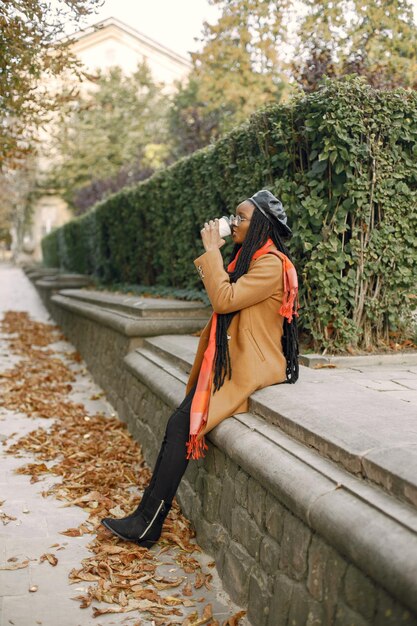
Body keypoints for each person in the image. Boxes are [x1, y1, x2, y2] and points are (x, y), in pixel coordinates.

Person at [101, 189, 299, 548]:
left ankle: (147, 523)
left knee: (180, 424)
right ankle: (145, 520)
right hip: (231, 359)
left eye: (242, 218)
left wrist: (212, 252)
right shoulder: (249, 257)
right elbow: (223, 292)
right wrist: (216, 257)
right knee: (179, 423)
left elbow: (224, 300)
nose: (234, 223)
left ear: (261, 227)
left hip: (251, 365)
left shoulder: (271, 264)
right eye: (234, 217)